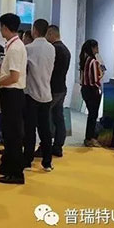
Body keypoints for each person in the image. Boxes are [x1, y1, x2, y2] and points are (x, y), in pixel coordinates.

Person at [0, 13, 27, 185]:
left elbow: (14, 77)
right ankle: (6, 165)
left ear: (5, 27)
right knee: (8, 132)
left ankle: (16, 172)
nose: (0, 30)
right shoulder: (13, 46)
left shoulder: (15, 48)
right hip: (10, 94)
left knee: (13, 134)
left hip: (13, 93)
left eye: (0, 27)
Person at [23, 19, 55, 172]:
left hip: (31, 93)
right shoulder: (51, 48)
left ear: (34, 30)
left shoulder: (28, 48)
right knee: (45, 129)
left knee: (29, 130)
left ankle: (27, 161)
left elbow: (24, 70)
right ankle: (47, 162)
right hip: (46, 93)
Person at [39, 25, 71, 158]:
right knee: (58, 118)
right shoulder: (66, 50)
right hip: (61, 88)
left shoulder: (53, 49)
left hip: (52, 88)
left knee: (44, 118)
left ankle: (44, 147)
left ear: (51, 33)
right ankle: (58, 146)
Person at [79, 39, 103, 148]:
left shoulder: (84, 60)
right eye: (96, 47)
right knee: (93, 115)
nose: (98, 50)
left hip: (85, 89)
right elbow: (95, 79)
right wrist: (101, 74)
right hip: (93, 90)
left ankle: (89, 138)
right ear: (93, 48)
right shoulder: (94, 62)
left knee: (91, 115)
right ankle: (90, 138)